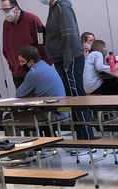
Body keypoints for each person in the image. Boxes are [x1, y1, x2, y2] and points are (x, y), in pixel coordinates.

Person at [41, 0, 90, 140]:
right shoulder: (54, 7)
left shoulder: (62, 6)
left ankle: (87, 139)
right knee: (71, 100)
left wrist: (67, 63)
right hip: (61, 60)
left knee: (76, 100)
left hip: (69, 59)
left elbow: (69, 35)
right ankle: (81, 138)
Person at [0, 0, 49, 89]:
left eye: (7, 10)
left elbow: (44, 45)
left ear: (16, 8)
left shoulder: (32, 20)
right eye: (2, 10)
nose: (5, 13)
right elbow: (6, 47)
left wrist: (43, 67)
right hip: (17, 73)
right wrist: (12, 66)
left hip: (34, 71)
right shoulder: (6, 24)